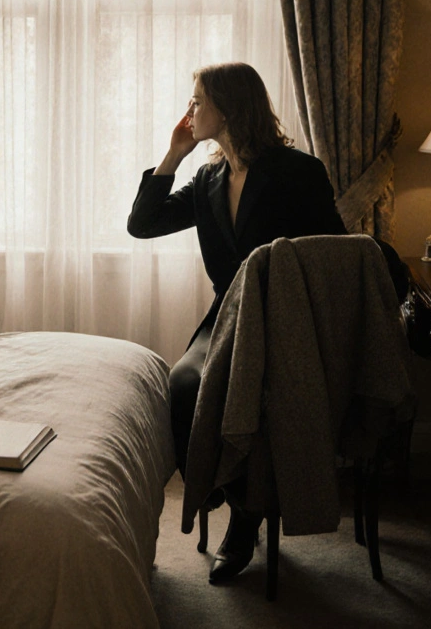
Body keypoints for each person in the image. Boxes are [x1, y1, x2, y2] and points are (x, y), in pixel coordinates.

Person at [127, 62, 346, 583]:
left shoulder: (298, 171)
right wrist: (174, 154)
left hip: (285, 320)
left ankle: (245, 522)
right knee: (183, 385)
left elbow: (335, 250)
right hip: (227, 314)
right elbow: (142, 225)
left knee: (250, 393)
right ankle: (222, 484)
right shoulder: (207, 179)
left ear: (228, 108)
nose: (190, 111)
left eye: (197, 101)